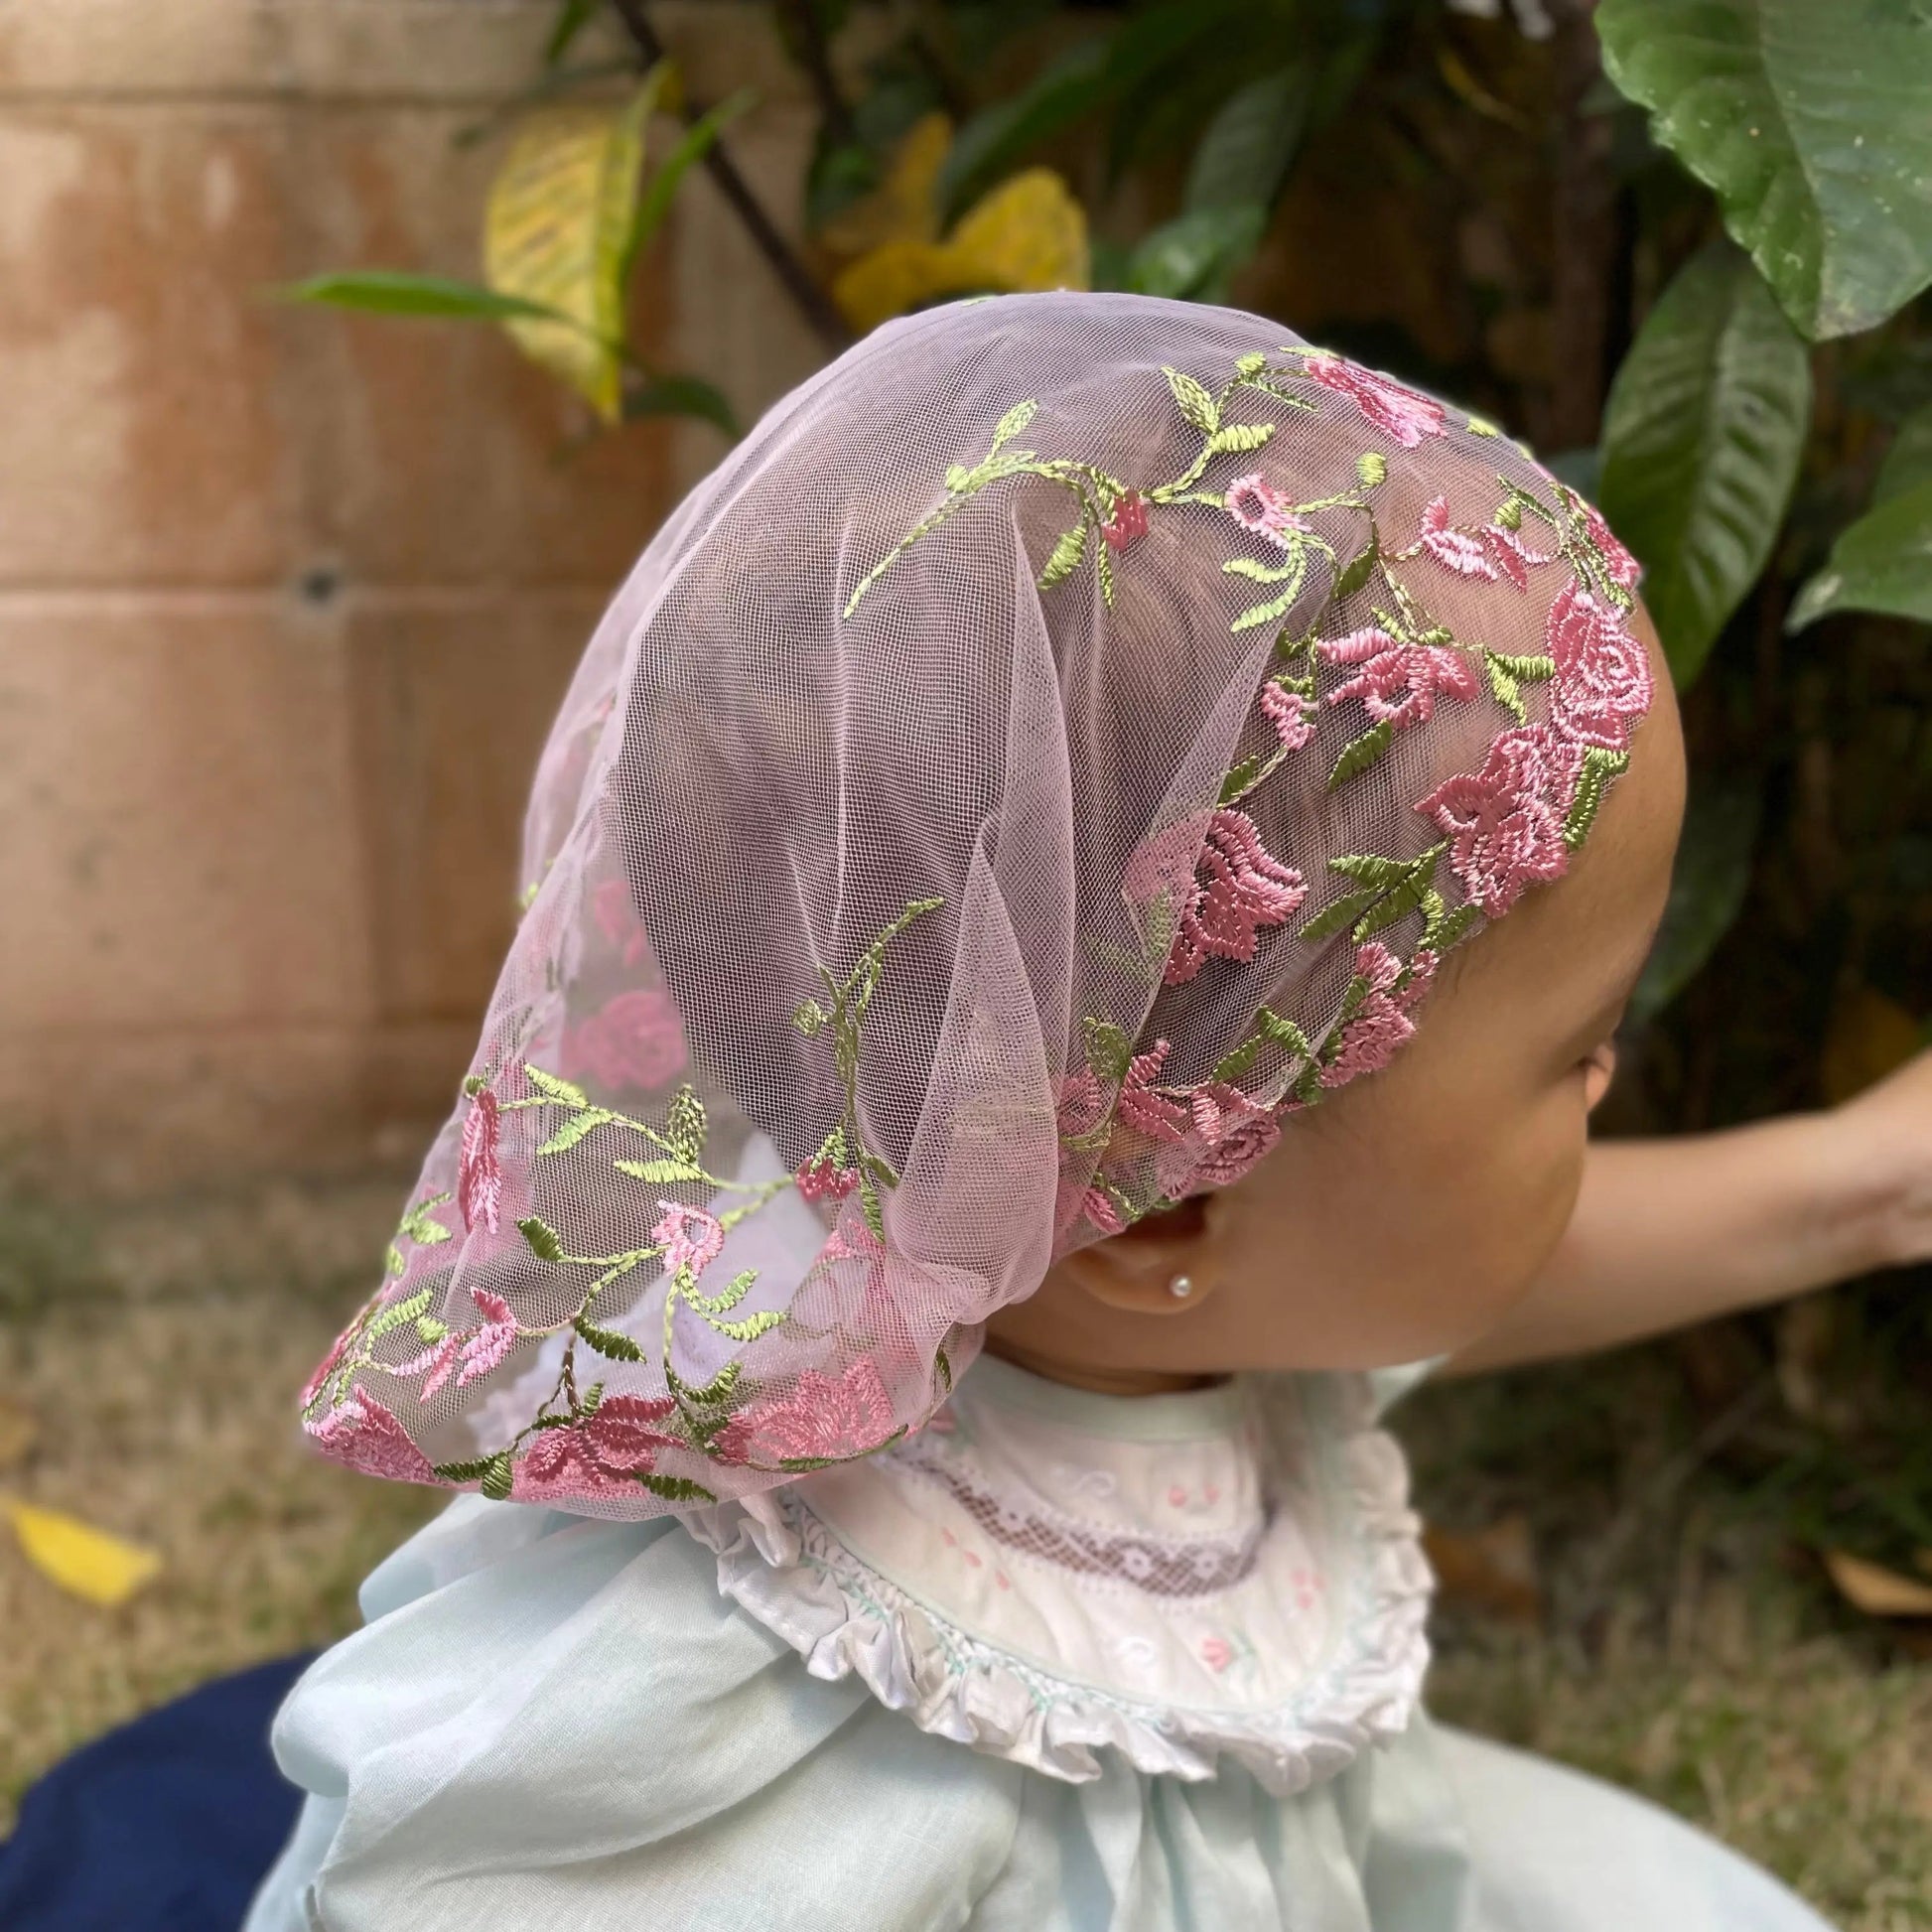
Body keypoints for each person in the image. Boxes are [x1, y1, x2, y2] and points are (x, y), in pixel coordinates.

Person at [246, 294, 1927, 1931]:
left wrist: (1863, 1179)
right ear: (1178, 1208)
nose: (1608, 1081)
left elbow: (1517, 1252)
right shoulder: (749, 1694)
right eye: (1577, 1046)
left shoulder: (1114, 1256)